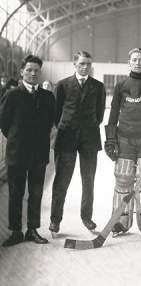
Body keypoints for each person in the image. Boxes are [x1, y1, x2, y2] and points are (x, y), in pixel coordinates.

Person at [104, 48, 141, 235]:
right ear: (129, 62)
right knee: (123, 179)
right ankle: (120, 222)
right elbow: (113, 113)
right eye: (134, 59)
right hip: (124, 139)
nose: (137, 62)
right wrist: (110, 139)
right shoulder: (121, 86)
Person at [49, 51, 106, 234]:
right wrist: (68, 126)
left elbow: (99, 114)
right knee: (61, 181)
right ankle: (55, 220)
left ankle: (87, 217)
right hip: (66, 138)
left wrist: (87, 126)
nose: (85, 67)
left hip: (89, 138)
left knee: (88, 180)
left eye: (88, 64)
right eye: (81, 64)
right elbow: (56, 114)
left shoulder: (98, 86)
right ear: (75, 65)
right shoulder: (63, 85)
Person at [1, 55, 55, 247]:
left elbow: (50, 122)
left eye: (36, 71)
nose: (33, 73)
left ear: (40, 73)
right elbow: (4, 124)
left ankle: (32, 230)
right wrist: (18, 140)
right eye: (29, 70)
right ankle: (16, 231)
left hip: (39, 154)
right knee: (16, 193)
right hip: (17, 153)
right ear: (22, 72)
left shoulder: (48, 97)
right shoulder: (13, 95)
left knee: (36, 193)